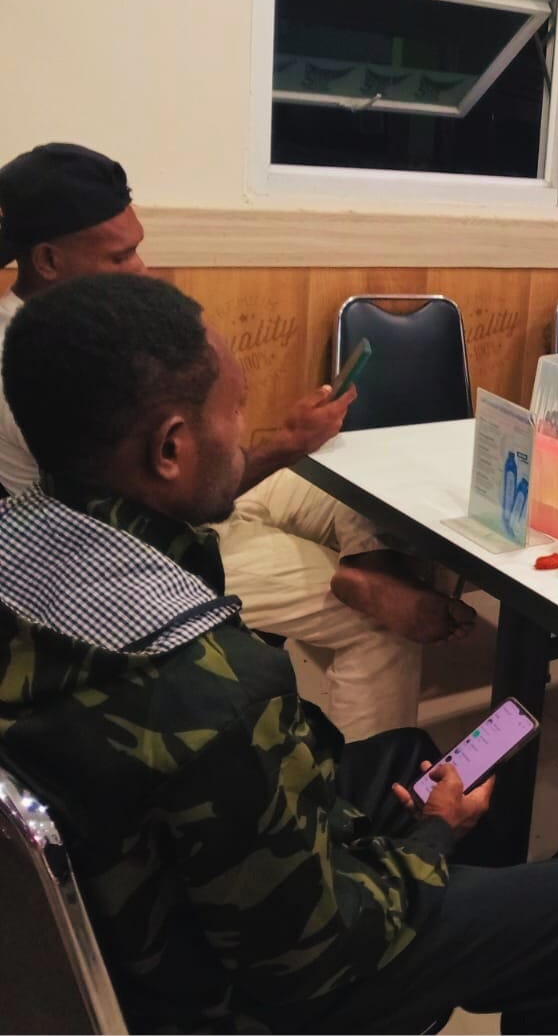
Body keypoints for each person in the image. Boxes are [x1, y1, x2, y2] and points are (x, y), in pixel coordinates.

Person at [0, 274, 558, 1034]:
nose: (246, 435)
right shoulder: (213, 685)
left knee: (408, 754)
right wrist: (435, 837)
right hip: (233, 999)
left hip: (121, 898)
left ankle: (500, 912)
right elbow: (316, 957)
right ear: (171, 448)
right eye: (234, 413)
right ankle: (521, 914)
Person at [0, 143, 468, 740]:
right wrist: (285, 445)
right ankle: (373, 783)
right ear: (47, 259)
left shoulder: (90, 330)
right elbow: (165, 498)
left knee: (348, 474)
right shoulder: (35, 362)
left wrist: (292, 442)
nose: (141, 267)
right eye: (121, 255)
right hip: (136, 548)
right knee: (381, 624)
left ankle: (368, 569)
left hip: (179, 503)